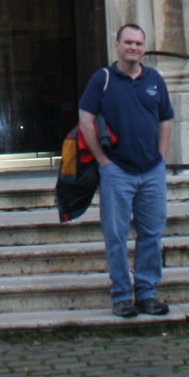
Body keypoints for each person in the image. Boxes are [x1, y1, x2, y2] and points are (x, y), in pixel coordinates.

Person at [78, 24, 173, 319]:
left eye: (139, 43)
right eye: (128, 42)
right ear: (116, 45)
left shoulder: (155, 79)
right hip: (117, 170)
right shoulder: (102, 79)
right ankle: (121, 296)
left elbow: (166, 121)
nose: (134, 47)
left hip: (151, 171)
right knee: (116, 236)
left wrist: (161, 159)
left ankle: (146, 293)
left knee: (151, 234)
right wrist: (103, 162)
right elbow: (85, 120)